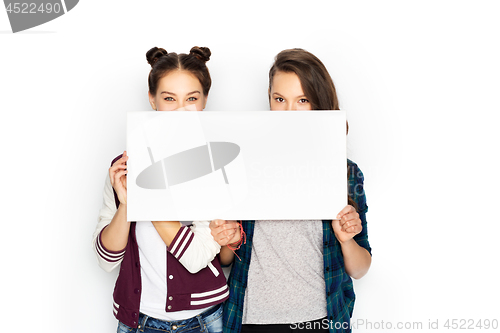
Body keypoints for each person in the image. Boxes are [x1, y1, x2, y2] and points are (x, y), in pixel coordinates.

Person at [210, 48, 372, 333]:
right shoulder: (244, 164)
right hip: (252, 319)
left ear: (318, 103)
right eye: (280, 99)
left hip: (320, 320)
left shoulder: (345, 173)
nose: (289, 111)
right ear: (269, 98)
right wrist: (230, 239)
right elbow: (224, 260)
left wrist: (346, 240)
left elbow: (360, 269)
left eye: (303, 100)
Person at [92, 46, 240, 333]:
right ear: (152, 99)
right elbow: (106, 259)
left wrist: (145, 196)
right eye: (169, 98)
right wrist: (127, 204)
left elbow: (197, 258)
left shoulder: (219, 164)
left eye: (192, 98)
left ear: (205, 101)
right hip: (137, 321)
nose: (181, 109)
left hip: (204, 321)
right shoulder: (123, 167)